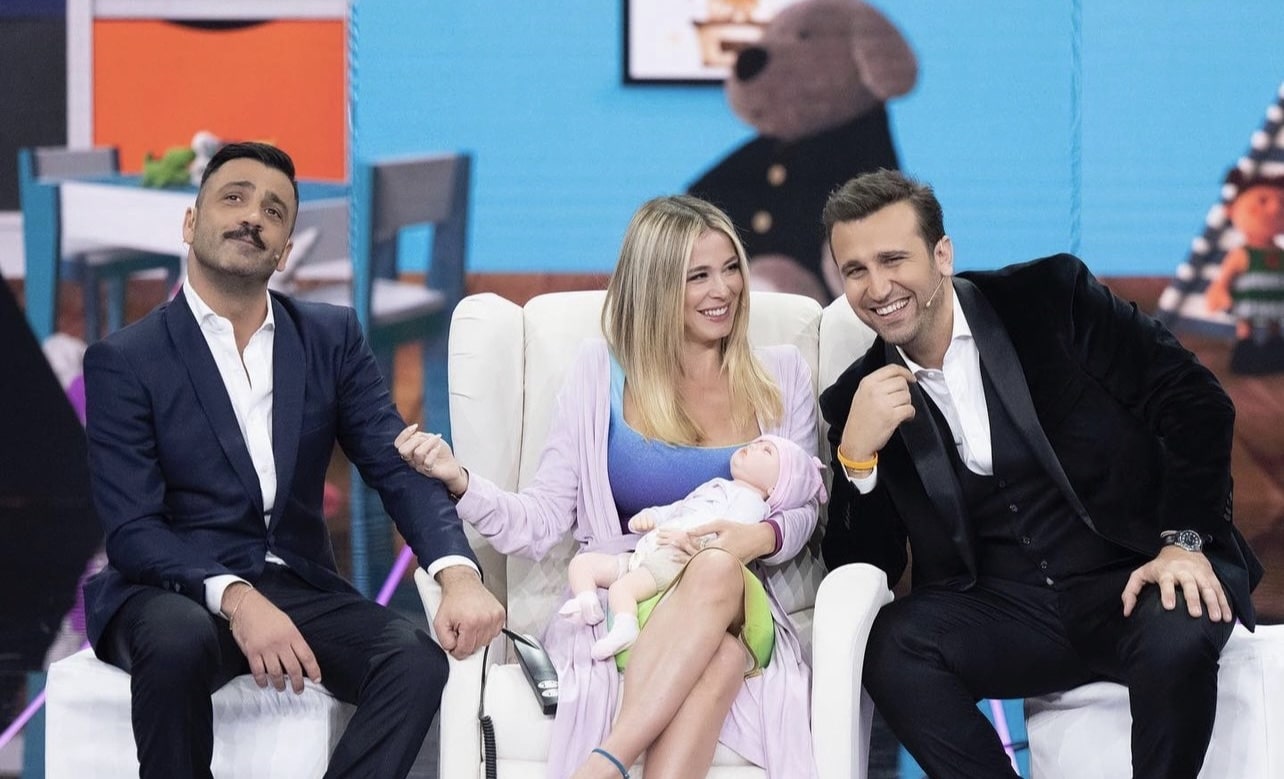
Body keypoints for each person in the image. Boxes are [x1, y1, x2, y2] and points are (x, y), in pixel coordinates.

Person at [818, 169, 1263, 779]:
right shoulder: (856, 398)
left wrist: (1183, 542)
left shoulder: (1049, 299)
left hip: (1130, 574)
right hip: (1008, 612)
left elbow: (1194, 400)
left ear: (942, 255)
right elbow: (863, 566)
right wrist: (857, 459)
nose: (877, 287)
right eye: (855, 270)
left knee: (1181, 618)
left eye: (894, 259)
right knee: (892, 646)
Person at [81, 142, 504, 779]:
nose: (253, 215)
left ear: (284, 251)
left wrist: (458, 573)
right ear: (190, 224)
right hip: (169, 589)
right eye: (234, 198)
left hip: (294, 581)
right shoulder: (126, 360)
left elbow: (394, 463)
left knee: (413, 661)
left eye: (274, 211)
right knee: (176, 639)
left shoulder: (330, 338)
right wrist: (237, 599)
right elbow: (134, 531)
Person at [394, 194, 821, 779]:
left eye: (730, 269)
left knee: (717, 568)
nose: (723, 290)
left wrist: (759, 537)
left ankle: (604, 762)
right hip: (627, 593)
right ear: (655, 286)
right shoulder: (600, 375)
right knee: (722, 659)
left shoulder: (781, 375)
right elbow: (542, 517)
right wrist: (461, 481)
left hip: (734, 595)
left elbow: (804, 504)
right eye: (698, 276)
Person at [556, 434, 826, 662]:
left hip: (677, 559)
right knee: (583, 564)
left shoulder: (751, 504)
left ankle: (625, 627)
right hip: (648, 550)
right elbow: (680, 508)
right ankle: (587, 601)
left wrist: (692, 542)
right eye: (758, 442)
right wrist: (653, 516)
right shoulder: (718, 486)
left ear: (775, 488)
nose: (754, 446)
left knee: (621, 588)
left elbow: (726, 539)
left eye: (767, 451)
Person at [1204, 167, 1284, 374]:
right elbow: (1225, 278)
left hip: (1276, 302)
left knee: (1275, 330)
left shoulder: (1280, 253)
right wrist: (1219, 291)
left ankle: (1275, 356)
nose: (1275, 208)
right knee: (1246, 329)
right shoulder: (1242, 254)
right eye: (1262, 200)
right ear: (1232, 210)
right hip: (1248, 302)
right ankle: (1245, 357)